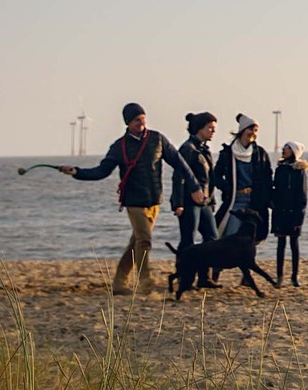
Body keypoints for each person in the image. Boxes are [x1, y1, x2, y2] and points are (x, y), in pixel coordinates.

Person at [61, 102, 205, 295]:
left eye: (143, 119)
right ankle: (145, 281)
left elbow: (180, 163)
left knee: (136, 242)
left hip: (154, 200)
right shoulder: (119, 146)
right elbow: (101, 171)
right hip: (133, 201)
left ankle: (119, 283)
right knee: (144, 240)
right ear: (128, 122)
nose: (142, 123)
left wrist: (194, 186)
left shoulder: (158, 139)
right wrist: (77, 172)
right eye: (137, 120)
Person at [211, 113, 273, 282]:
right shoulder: (228, 153)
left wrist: (267, 199)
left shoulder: (260, 154)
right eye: (252, 129)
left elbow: (268, 178)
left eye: (256, 130)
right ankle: (215, 273)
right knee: (227, 237)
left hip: (255, 202)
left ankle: (246, 277)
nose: (254, 133)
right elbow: (216, 176)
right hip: (234, 201)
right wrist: (226, 187)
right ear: (242, 131)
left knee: (251, 240)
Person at [171, 111, 221, 289]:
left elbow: (209, 179)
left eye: (214, 128)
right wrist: (177, 203)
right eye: (210, 128)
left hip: (205, 202)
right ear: (200, 128)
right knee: (188, 241)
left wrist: (212, 200)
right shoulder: (188, 149)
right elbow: (179, 176)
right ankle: (185, 278)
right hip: (189, 202)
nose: (213, 132)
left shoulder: (204, 149)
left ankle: (204, 277)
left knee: (212, 239)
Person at [271, 140, 308, 287]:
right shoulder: (280, 169)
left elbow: (302, 195)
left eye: (287, 148)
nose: (283, 150)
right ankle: (279, 275)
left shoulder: (299, 171)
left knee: (294, 244)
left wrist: (299, 216)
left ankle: (294, 276)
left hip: (294, 213)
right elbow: (275, 188)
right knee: (280, 244)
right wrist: (273, 203)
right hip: (280, 211)